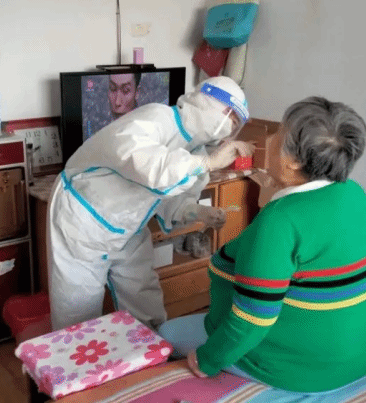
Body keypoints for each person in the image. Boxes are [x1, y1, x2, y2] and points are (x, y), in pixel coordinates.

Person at [158, 96, 366, 394]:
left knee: (167, 332)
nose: (269, 139)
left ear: (293, 161)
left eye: (278, 133)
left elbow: (252, 320)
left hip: (304, 370)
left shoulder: (280, 222)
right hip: (361, 357)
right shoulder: (353, 193)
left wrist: (207, 361)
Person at [48, 76, 254, 331]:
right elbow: (147, 165)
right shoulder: (156, 117)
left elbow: (170, 198)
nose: (228, 129)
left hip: (129, 224)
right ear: (208, 103)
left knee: (144, 300)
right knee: (77, 311)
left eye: (235, 125)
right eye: (230, 118)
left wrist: (198, 211)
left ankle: (149, 350)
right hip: (84, 220)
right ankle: (75, 353)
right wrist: (207, 164)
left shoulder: (196, 151)